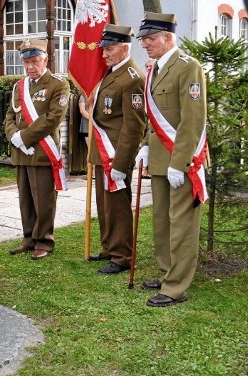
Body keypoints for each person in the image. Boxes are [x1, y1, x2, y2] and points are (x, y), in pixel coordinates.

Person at [135, 12, 208, 307]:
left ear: (168, 37)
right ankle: (167, 273)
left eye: (150, 38)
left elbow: (193, 120)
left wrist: (181, 162)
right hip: (160, 158)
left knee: (181, 224)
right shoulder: (155, 69)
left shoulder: (188, 68)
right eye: (144, 39)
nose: (145, 44)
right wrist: (145, 146)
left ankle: (177, 286)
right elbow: (154, 118)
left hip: (182, 162)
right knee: (162, 221)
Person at [86, 25, 146, 274]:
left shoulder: (133, 78)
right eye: (104, 49)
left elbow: (135, 126)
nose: (104, 54)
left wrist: (121, 163)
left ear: (124, 48)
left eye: (109, 49)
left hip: (115, 154)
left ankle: (122, 256)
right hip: (102, 152)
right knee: (105, 204)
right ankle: (109, 246)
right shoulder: (112, 73)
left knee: (118, 207)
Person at [4, 39, 70, 260]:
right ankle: (29, 237)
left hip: (42, 151)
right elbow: (11, 115)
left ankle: (44, 240)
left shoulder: (58, 84)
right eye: (26, 62)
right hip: (22, 152)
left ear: (45, 60)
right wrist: (14, 136)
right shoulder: (19, 86)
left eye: (34, 61)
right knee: (25, 198)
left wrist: (24, 137)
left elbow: (52, 119)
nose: (30, 67)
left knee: (44, 199)